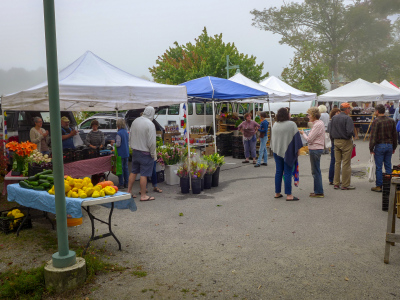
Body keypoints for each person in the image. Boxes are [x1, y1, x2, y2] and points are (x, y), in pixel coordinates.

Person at [271, 107, 303, 201]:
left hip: (276, 151)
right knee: (288, 172)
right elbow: (297, 138)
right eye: (289, 113)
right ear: (286, 114)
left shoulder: (275, 124)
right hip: (287, 152)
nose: (290, 114)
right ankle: (289, 195)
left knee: (278, 171)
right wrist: (297, 151)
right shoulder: (291, 124)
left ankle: (277, 193)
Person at [127, 106, 157, 201]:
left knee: (133, 172)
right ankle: (143, 195)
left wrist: (131, 146)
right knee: (144, 174)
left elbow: (130, 135)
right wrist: (153, 153)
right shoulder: (150, 124)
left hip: (135, 151)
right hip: (145, 153)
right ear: (152, 113)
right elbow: (152, 142)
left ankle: (129, 192)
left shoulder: (135, 121)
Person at [369, 104, 398, 192]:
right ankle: (389, 185)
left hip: (380, 145)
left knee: (379, 167)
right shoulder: (391, 120)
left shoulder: (376, 121)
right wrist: (394, 146)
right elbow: (394, 135)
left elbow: (373, 137)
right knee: (388, 165)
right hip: (389, 145)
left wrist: (371, 148)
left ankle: (379, 185)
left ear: (377, 111)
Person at [328, 102, 355, 190]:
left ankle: (336, 183)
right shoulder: (348, 118)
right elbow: (350, 131)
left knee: (337, 163)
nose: (350, 110)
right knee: (346, 163)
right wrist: (349, 137)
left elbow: (330, 130)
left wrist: (333, 140)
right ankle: (345, 184)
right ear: (347, 109)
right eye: (349, 109)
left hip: (336, 141)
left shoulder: (334, 118)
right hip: (345, 141)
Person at [300, 107, 325, 198]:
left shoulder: (317, 124)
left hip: (315, 149)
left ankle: (318, 191)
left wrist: (303, 134)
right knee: (316, 170)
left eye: (309, 115)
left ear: (314, 115)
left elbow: (309, 139)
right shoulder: (319, 123)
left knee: (315, 171)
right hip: (317, 148)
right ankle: (317, 190)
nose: (308, 116)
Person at [327, 108, 341, 185]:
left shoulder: (333, 122)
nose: (339, 114)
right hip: (334, 142)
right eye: (337, 113)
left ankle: (334, 179)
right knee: (334, 161)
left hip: (334, 142)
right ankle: (331, 179)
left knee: (336, 161)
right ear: (334, 114)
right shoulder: (331, 122)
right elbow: (329, 132)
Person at [115, 119, 129, 189]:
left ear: (118, 125)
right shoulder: (126, 132)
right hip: (126, 152)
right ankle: (127, 183)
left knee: (120, 169)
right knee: (126, 168)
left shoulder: (119, 133)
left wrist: (113, 143)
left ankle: (121, 184)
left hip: (120, 153)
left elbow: (118, 144)